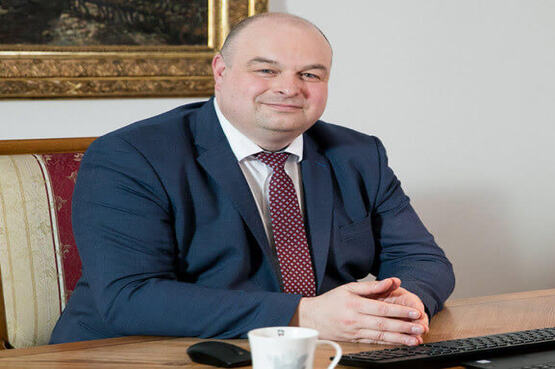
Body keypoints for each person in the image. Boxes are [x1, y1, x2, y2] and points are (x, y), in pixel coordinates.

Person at [50, 12, 455, 347]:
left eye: (310, 75)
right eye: (266, 70)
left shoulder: (358, 154)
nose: (289, 88)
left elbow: (424, 261)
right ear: (220, 71)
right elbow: (131, 298)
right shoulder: (130, 156)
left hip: (311, 354)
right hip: (136, 352)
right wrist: (301, 314)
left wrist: (401, 305)